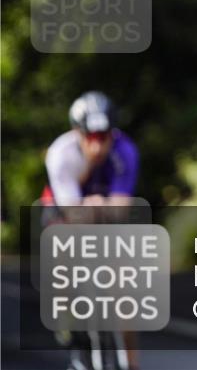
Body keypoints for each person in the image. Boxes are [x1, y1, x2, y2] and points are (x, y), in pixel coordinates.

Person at [42, 91, 141, 370]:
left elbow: (120, 209)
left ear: (112, 134)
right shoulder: (61, 154)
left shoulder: (126, 151)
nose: (96, 147)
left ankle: (131, 362)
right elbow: (73, 213)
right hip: (64, 212)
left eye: (103, 138)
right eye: (90, 138)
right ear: (77, 133)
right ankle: (65, 315)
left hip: (104, 214)